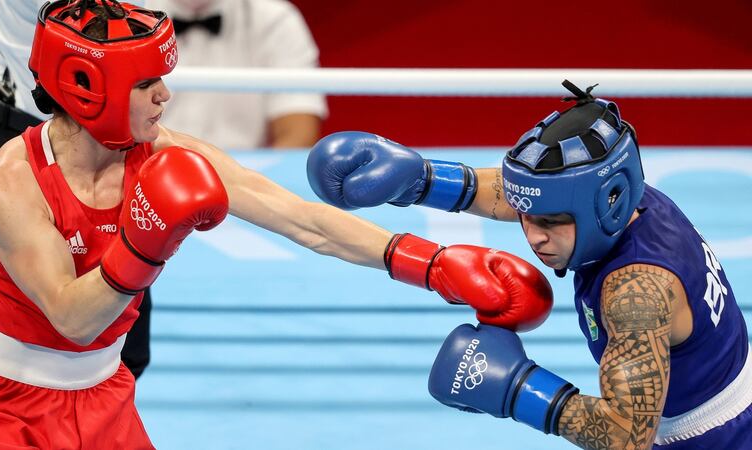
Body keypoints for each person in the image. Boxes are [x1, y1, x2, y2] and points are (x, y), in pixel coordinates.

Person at [0, 1, 556, 447]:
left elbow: (302, 220)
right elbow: (72, 318)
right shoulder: (9, 182)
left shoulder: (164, 153)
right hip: (0, 410)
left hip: (104, 400)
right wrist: (147, 241)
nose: (165, 96)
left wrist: (432, 263)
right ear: (89, 91)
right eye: (145, 83)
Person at [306, 81, 752, 449]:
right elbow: (518, 194)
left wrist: (520, 390)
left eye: (551, 223)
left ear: (607, 204)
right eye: (528, 218)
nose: (533, 236)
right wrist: (421, 180)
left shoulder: (635, 293)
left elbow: (625, 436)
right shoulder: (628, 198)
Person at [0, 0, 154, 380]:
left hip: (110, 134)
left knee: (122, 330)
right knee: (37, 317)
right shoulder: (10, 172)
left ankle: (100, 420)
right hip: (22, 129)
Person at [145, 0, 326, 149]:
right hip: (142, 175)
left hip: (246, 176)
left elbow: (298, 134)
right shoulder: (126, 17)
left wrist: (255, 185)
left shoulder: (276, 19)